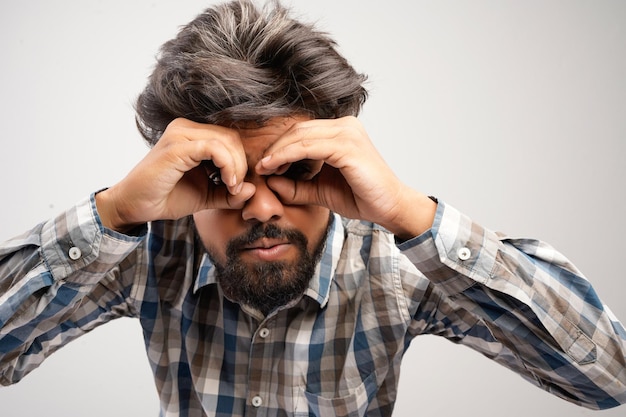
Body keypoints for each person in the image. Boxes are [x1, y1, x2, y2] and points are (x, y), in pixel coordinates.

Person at [1, 0, 625, 415]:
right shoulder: (150, 248)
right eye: (221, 180)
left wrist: (412, 215)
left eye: (293, 171)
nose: (260, 208)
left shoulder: (394, 259)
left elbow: (607, 377)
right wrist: (113, 214)